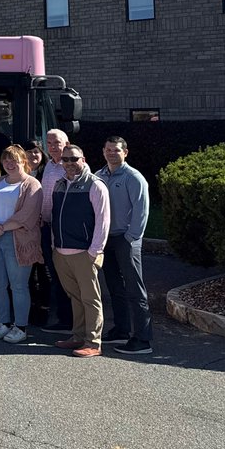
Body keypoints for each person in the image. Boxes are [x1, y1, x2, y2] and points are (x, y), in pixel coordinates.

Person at [46, 145, 111, 358]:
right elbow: (55, 216)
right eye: (65, 160)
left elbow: (103, 221)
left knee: (90, 298)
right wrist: (55, 246)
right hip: (61, 252)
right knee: (75, 296)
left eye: (73, 159)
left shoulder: (95, 185)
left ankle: (93, 342)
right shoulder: (59, 184)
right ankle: (78, 336)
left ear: (83, 159)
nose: (69, 163)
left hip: (84, 253)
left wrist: (94, 252)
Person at [0, 145, 42, 344]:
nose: (9, 163)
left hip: (18, 240)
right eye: (6, 160)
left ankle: (20, 327)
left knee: (19, 286)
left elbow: (28, 215)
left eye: (14, 159)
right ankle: (3, 323)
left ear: (23, 161)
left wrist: (2, 227)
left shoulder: (32, 184)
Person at [96, 136, 153, 355]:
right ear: (103, 151)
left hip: (125, 239)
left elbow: (142, 210)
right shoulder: (99, 175)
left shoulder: (133, 177)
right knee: (114, 287)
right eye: (108, 150)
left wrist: (131, 237)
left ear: (125, 152)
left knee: (134, 289)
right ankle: (121, 329)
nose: (112, 153)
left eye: (116, 150)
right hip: (106, 239)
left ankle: (143, 338)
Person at [38, 129, 73, 333]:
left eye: (57, 142)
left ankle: (69, 320)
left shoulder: (72, 165)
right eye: (49, 142)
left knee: (65, 275)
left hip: (64, 229)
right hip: (46, 226)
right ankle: (62, 318)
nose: (52, 146)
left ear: (66, 143)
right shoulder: (49, 166)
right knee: (54, 274)